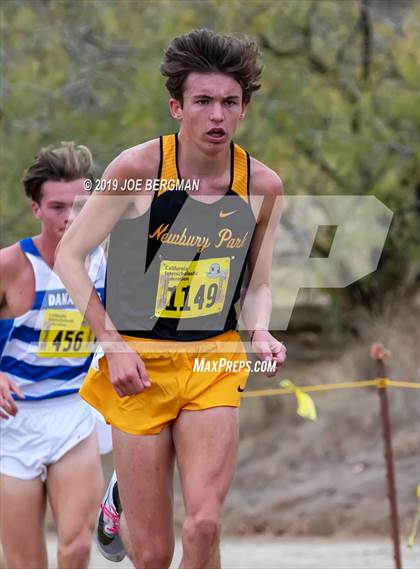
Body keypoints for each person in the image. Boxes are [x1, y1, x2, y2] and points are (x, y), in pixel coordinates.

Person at [56, 29, 287, 569]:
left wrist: (259, 331)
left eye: (229, 102)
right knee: (154, 555)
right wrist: (112, 346)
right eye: (203, 101)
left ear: (243, 109)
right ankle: (120, 505)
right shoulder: (135, 171)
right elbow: (70, 255)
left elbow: (257, 283)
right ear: (176, 106)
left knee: (204, 525)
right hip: (138, 359)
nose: (216, 115)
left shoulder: (263, 186)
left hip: (212, 358)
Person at [0, 142, 107, 569]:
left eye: (80, 206)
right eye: (58, 207)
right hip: (13, 424)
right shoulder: (12, 265)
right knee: (25, 562)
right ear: (37, 210)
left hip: (72, 414)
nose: (70, 219)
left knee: (78, 547)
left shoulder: (104, 262)